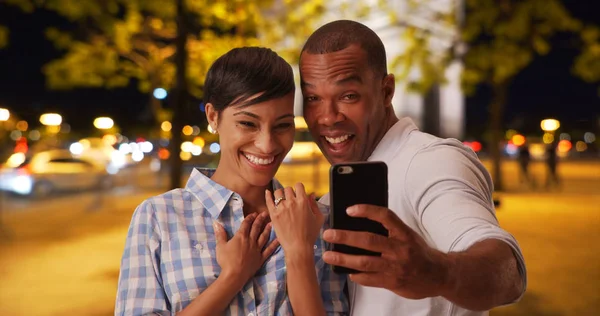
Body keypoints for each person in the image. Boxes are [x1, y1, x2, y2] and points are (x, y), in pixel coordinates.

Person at [299, 20, 527, 315]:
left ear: (386, 91)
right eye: (313, 98)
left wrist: (438, 273)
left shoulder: (431, 162)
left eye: (348, 96)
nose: (327, 117)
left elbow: (506, 269)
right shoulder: (333, 197)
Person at [115, 47, 348, 315]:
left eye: (282, 125)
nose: (266, 144)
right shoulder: (159, 217)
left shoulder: (317, 222)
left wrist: (299, 254)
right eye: (248, 124)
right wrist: (232, 277)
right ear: (213, 116)